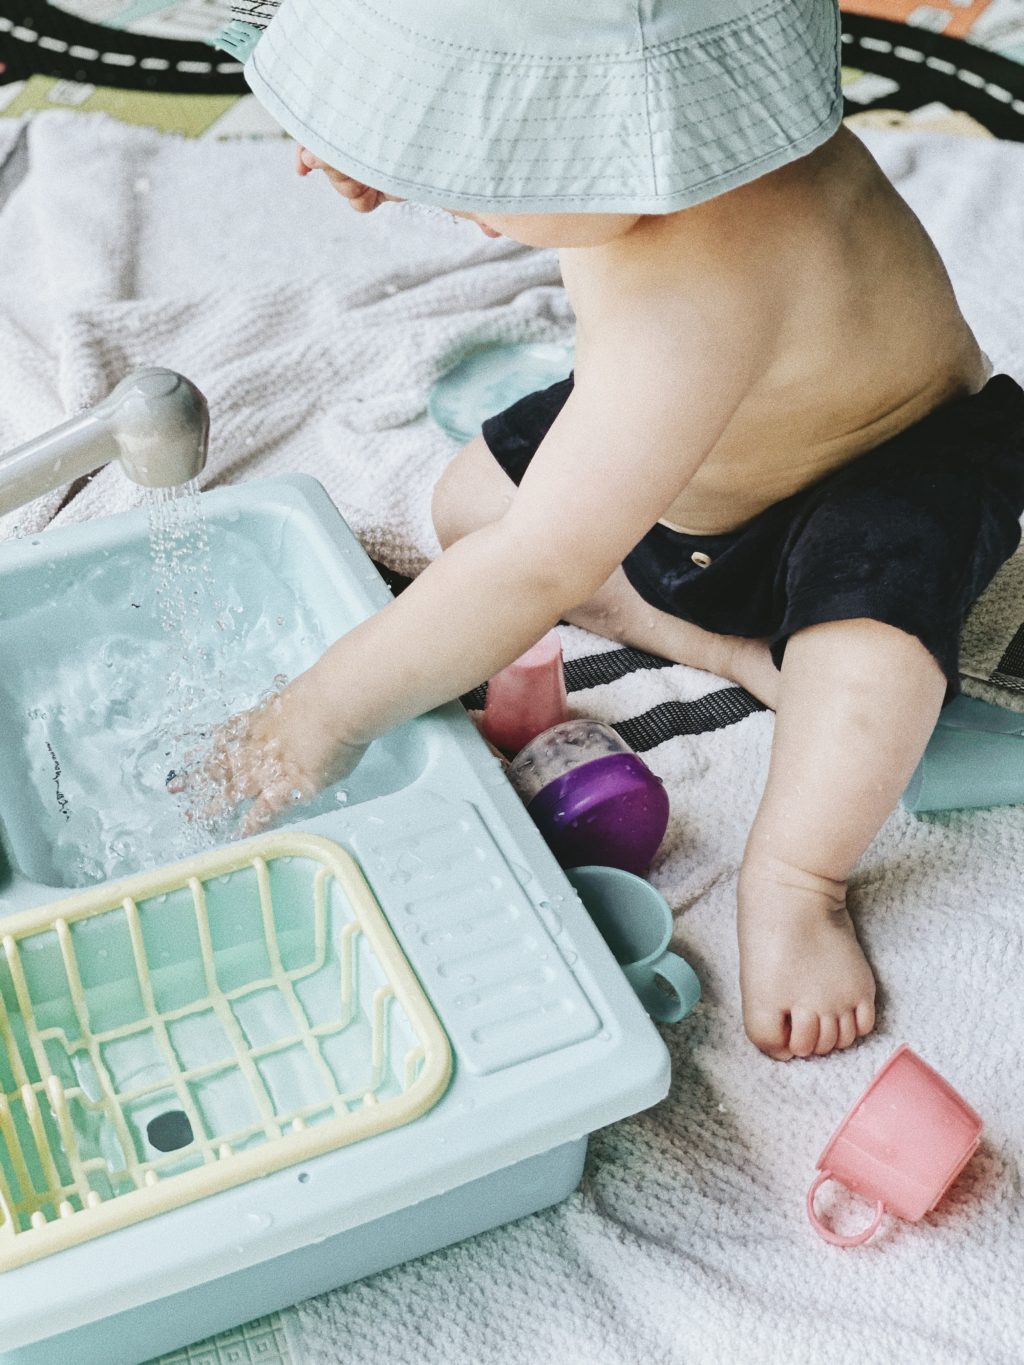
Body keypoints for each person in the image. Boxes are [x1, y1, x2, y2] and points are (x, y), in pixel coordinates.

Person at [186, 0, 1024, 1060]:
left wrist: (321, 714)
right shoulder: (689, 148)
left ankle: (796, 881)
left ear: (609, 153)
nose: (458, 200)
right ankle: (721, 646)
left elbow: (539, 566)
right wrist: (395, 151)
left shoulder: (702, 281)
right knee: (466, 507)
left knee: (871, 672)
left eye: (485, 171)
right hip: (703, 457)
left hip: (883, 470)